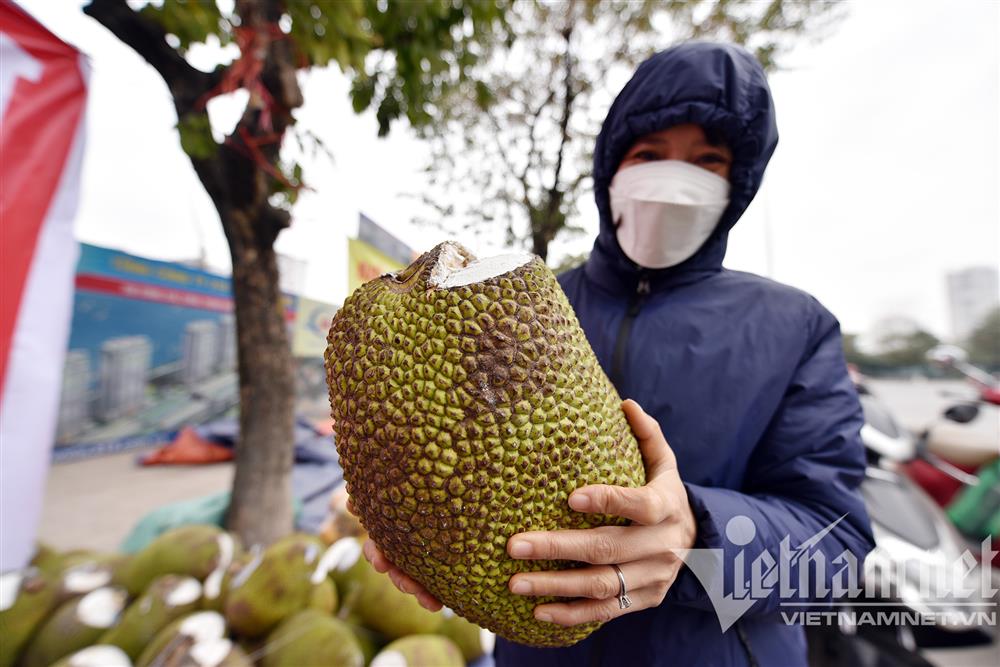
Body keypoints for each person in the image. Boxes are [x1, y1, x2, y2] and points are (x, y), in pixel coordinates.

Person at [365, 41, 875, 666]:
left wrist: (696, 541)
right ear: (612, 167)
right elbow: (447, 459)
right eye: (650, 154)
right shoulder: (520, 308)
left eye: (707, 160)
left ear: (736, 184)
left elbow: (836, 553)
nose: (674, 179)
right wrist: (422, 534)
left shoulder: (796, 325)